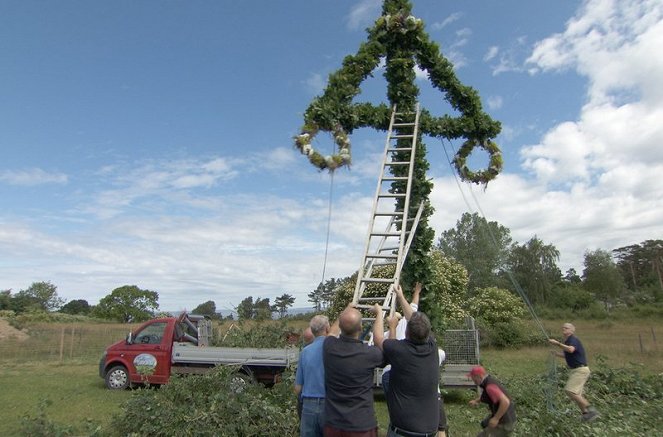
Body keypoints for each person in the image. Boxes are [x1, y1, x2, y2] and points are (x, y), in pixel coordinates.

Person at [373, 302, 440, 437]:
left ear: (406, 332)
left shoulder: (400, 350)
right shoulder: (432, 347)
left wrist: (380, 314)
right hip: (430, 430)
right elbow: (414, 319)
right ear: (428, 332)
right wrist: (401, 296)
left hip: (404, 431)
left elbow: (378, 339)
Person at [323, 306, 384, 437]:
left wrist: (346, 308)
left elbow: (332, 333)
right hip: (361, 425)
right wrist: (379, 314)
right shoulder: (370, 354)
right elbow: (381, 344)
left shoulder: (329, 347)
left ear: (340, 325)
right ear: (361, 328)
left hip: (333, 424)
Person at [549, 323, 599, 422]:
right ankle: (586, 414)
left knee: (569, 391)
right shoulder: (567, 341)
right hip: (576, 370)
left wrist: (557, 343)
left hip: (580, 370)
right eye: (562, 327)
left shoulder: (573, 339)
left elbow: (571, 350)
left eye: (566, 328)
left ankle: (591, 410)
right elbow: (568, 354)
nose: (564, 329)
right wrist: (556, 354)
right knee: (577, 395)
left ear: (572, 330)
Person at [295, 316, 330, 437]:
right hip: (329, 405)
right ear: (327, 328)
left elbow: (298, 388)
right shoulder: (334, 349)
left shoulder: (305, 352)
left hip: (309, 405)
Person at [468, 366, 516, 437]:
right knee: (485, 423)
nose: (472, 379)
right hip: (506, 416)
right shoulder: (488, 381)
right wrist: (476, 401)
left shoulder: (490, 387)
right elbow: (488, 395)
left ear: (479, 376)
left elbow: (505, 402)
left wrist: (496, 419)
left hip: (505, 421)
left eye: (473, 377)